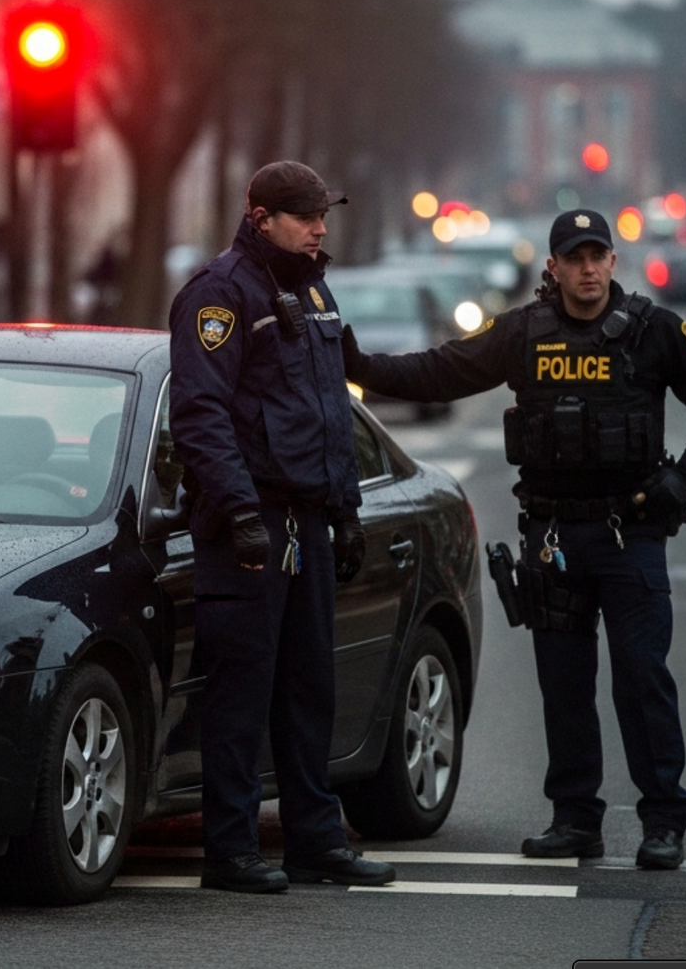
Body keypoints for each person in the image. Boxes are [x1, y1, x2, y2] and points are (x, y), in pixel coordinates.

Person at [342, 209, 686, 870]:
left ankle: (663, 820)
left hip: (628, 531)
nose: (586, 269)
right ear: (551, 266)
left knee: (642, 679)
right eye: (573, 257)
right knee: (564, 683)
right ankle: (575, 818)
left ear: (613, 261)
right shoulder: (524, 333)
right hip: (553, 535)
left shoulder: (653, 331)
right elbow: (441, 371)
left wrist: (683, 480)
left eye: (597, 256)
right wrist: (357, 364)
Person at [168, 161, 395, 894]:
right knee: (241, 694)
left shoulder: (313, 289)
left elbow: (331, 411)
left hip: (308, 521)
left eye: (323, 212)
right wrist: (238, 512)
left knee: (309, 689)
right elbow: (201, 417)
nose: (320, 225)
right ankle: (229, 851)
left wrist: (348, 509)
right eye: (304, 215)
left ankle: (315, 840)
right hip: (250, 524)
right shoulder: (220, 294)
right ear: (260, 216)